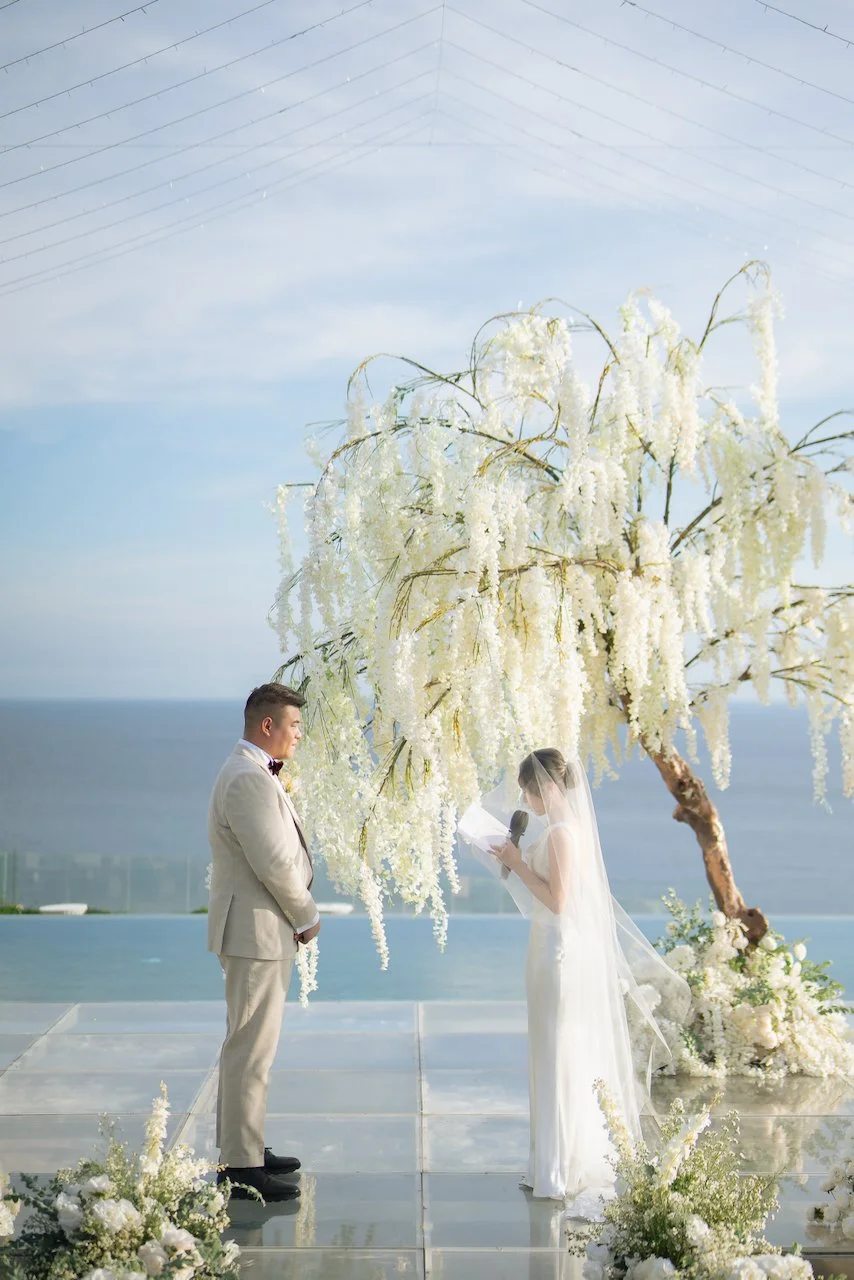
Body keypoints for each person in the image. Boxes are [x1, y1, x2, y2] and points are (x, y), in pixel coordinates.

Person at [460, 748, 689, 1215]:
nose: (524, 798)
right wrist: (516, 859)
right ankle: (552, 1159)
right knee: (553, 1049)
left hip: (558, 950)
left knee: (558, 1051)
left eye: (527, 789)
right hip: (550, 946)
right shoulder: (565, 831)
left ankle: (559, 1165)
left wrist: (516, 861)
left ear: (546, 787)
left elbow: (559, 901)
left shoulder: (563, 834)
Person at [207, 682, 320, 1202]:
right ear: (267, 725)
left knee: (252, 1047)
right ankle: (240, 1167)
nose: (300, 734)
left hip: (259, 931)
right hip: (256, 931)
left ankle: (246, 1146)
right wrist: (306, 914)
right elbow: (272, 860)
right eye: (294, 725)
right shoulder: (247, 779)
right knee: (249, 1049)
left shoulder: (249, 773)